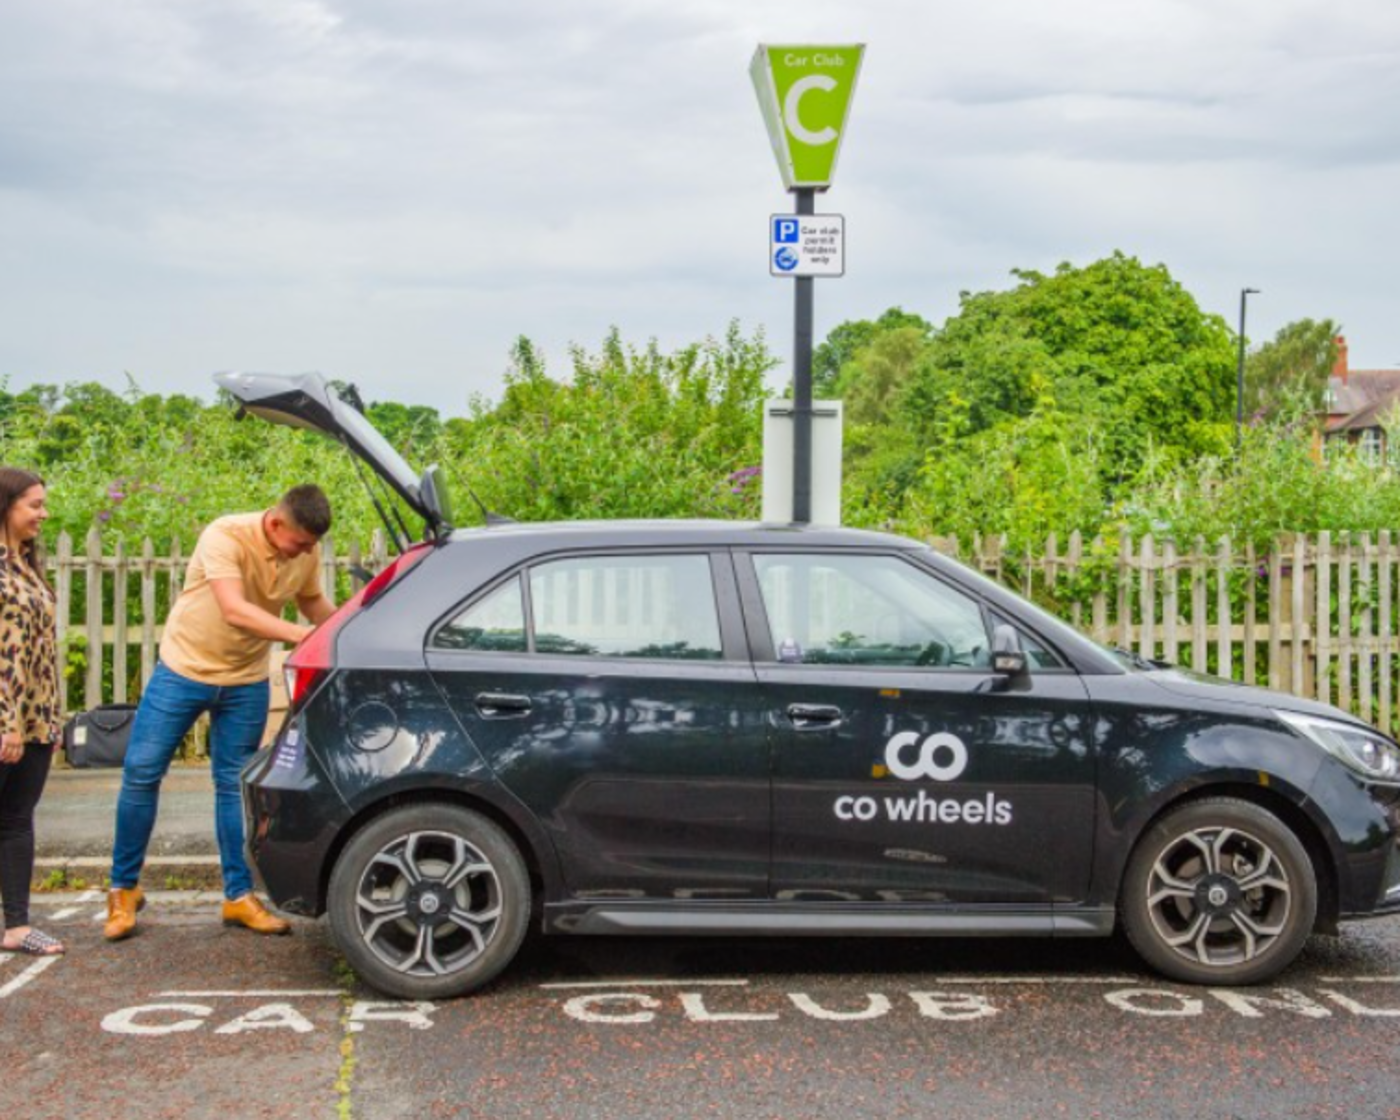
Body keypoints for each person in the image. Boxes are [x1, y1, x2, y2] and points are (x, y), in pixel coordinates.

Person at [105, 485, 337, 940]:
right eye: (302, 543)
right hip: (183, 671)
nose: (308, 552)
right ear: (275, 524)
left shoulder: (304, 552)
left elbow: (313, 604)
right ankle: (123, 890)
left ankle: (238, 896)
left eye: (312, 546)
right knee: (142, 772)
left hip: (244, 681)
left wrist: (349, 627)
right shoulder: (224, 535)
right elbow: (234, 610)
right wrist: (302, 637)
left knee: (233, 785)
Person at [0, 468, 64, 956]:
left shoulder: (27, 566)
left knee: (18, 818)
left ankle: (17, 926)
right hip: (8, 720)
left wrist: (50, 720)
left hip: (37, 718)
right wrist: (7, 724)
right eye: (33, 505)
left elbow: (41, 652)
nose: (43, 513)